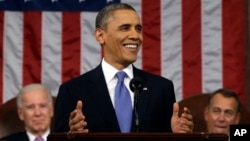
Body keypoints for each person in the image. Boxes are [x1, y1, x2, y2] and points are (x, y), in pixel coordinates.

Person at [54, 3, 193, 133]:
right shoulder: (72, 91)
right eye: (125, 28)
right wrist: (70, 135)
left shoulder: (161, 89)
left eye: (138, 29)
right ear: (100, 36)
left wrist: (177, 135)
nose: (135, 36)